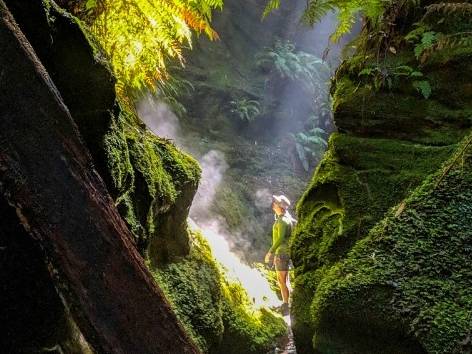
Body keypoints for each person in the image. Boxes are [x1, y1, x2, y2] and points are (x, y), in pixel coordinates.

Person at [265, 194, 294, 315]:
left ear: (281, 207)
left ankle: (286, 306)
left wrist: (270, 252)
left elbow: (280, 238)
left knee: (281, 280)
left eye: (275, 203)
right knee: (284, 280)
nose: (273, 205)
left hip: (281, 253)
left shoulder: (282, 221)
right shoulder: (284, 219)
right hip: (284, 253)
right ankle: (287, 303)